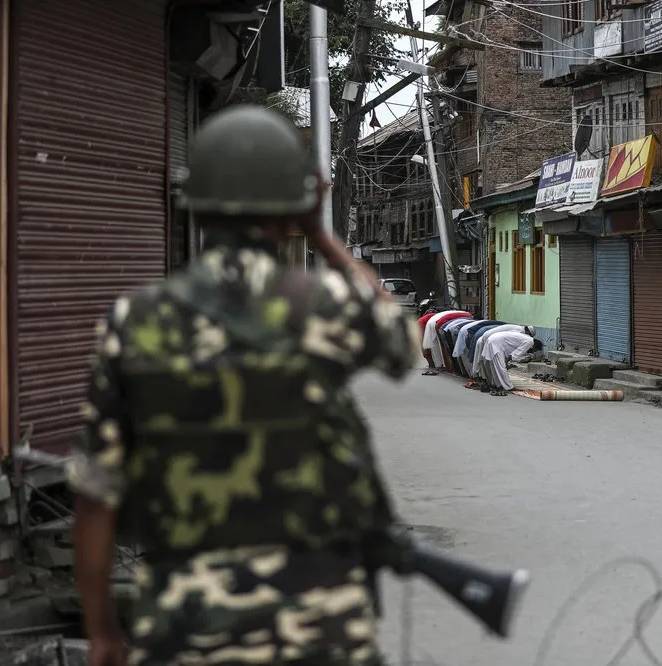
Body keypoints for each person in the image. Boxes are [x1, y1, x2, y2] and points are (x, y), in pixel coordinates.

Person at [66, 105, 420, 666]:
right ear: (292, 208)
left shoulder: (136, 320)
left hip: (185, 624)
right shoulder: (322, 307)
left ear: (198, 209)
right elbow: (404, 345)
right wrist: (322, 236)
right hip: (321, 623)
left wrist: (103, 631)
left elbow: (95, 495)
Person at [479, 330, 543, 394]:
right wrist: (506, 362)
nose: (533, 352)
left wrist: (506, 361)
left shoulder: (527, 338)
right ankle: (509, 387)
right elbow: (516, 353)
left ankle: (497, 384)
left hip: (493, 339)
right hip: (496, 343)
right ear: (534, 346)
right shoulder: (530, 342)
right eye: (535, 351)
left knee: (494, 366)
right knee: (502, 368)